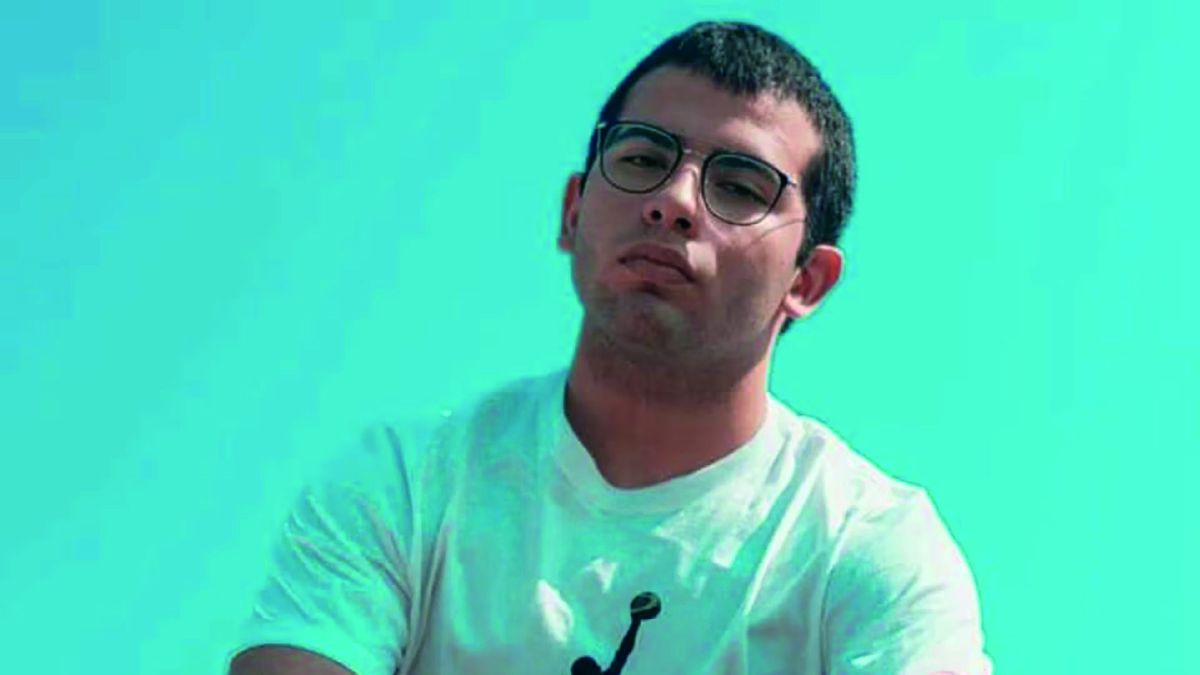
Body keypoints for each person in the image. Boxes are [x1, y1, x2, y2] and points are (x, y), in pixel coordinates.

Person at [229, 20, 992, 675]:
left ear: (808, 280)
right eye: (641, 158)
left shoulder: (870, 550)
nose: (674, 200)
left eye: (739, 185)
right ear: (572, 213)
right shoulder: (408, 484)